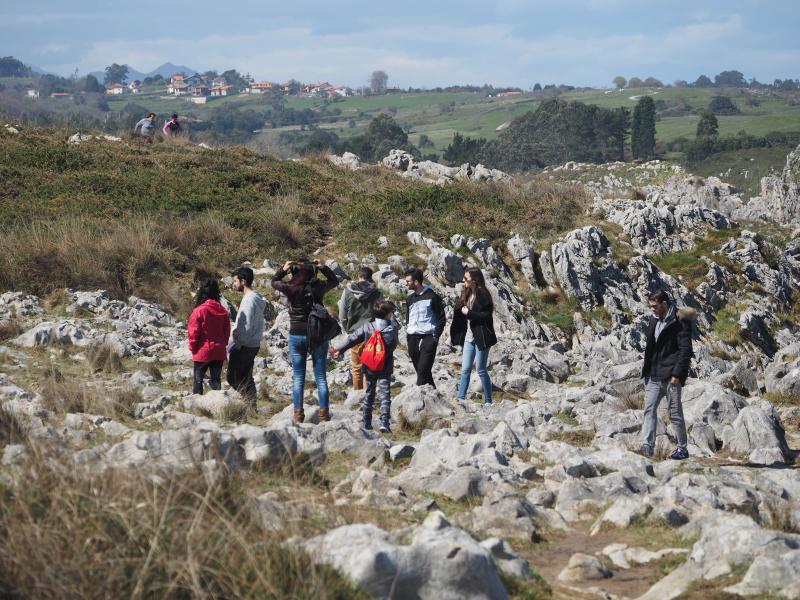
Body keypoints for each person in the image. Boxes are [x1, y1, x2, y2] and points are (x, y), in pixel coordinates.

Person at [272, 258, 339, 423]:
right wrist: (322, 267)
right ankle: (324, 415)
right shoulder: (318, 286)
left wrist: (283, 269)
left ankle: (298, 414)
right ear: (312, 271)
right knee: (321, 376)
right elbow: (334, 281)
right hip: (317, 335)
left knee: (298, 377)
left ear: (295, 271)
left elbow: (274, 282)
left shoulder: (291, 287)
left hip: (296, 334)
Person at [640, 290, 695, 460]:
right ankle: (647, 446)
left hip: (671, 376)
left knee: (674, 414)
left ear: (664, 303)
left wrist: (677, 374)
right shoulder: (653, 319)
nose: (652, 310)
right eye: (651, 307)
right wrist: (647, 372)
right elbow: (651, 347)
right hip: (654, 375)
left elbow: (685, 350)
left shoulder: (680, 320)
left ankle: (682, 448)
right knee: (648, 410)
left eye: (655, 306)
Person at [331, 300, 398, 432]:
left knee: (369, 393)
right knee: (385, 393)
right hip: (385, 365)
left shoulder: (367, 327)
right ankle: (385, 422)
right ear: (388, 314)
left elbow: (353, 338)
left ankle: (366, 422)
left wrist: (340, 349)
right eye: (392, 312)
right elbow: (393, 345)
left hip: (369, 365)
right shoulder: (392, 328)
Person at [450, 268, 497, 405]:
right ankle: (461, 398)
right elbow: (460, 310)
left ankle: (488, 400)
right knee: (465, 369)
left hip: (481, 337)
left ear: (474, 279)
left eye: (466, 278)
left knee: (481, 369)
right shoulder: (466, 293)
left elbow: (487, 315)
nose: (463, 280)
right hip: (469, 337)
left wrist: (469, 313)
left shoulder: (483, 294)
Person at [338, 266, 382, 391]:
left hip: (354, 333)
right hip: (372, 333)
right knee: (369, 366)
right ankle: (368, 395)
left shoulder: (347, 291)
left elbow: (342, 314)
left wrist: (348, 329)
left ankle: (357, 394)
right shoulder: (377, 293)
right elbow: (382, 312)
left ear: (358, 276)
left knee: (357, 367)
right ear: (370, 277)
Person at [227, 266, 266, 405]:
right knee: (246, 377)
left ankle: (247, 404)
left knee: (233, 377)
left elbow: (247, 325)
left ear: (243, 281)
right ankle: (251, 405)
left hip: (245, 344)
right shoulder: (255, 298)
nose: (234, 284)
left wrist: (238, 343)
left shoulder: (249, 300)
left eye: (235, 281)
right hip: (253, 343)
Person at [404, 268, 446, 388]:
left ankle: (419, 393)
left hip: (429, 336)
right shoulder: (409, 299)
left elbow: (441, 318)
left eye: (408, 281)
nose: (405, 283)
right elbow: (409, 317)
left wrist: (436, 336)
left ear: (416, 282)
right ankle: (432, 390)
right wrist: (408, 331)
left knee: (423, 368)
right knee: (421, 369)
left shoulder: (433, 297)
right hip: (412, 336)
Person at [187, 278, 230, 395]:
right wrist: (223, 344)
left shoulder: (199, 311)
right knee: (216, 380)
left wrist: (193, 348)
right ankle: (218, 404)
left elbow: (193, 332)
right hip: (219, 351)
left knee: (198, 380)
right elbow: (227, 332)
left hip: (203, 351)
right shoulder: (223, 311)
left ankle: (198, 406)